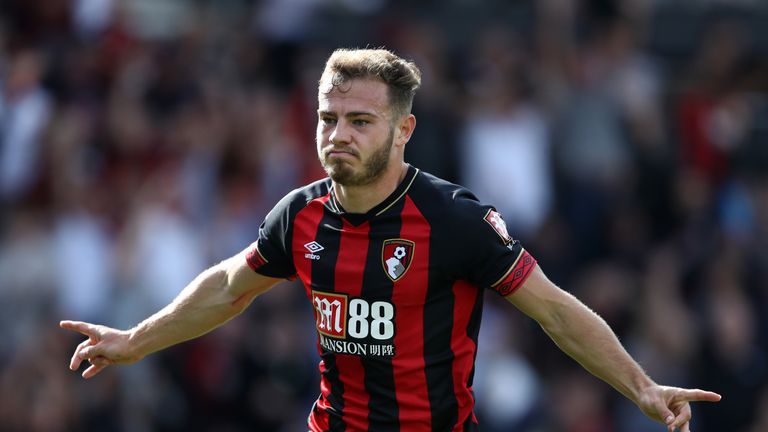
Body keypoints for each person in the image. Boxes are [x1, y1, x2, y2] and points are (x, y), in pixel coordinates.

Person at [61, 48, 721, 432]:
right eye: (328, 118)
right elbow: (230, 288)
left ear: (403, 131)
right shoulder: (301, 216)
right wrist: (135, 340)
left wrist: (640, 388)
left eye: (359, 121)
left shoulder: (455, 221)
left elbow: (553, 310)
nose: (337, 134)